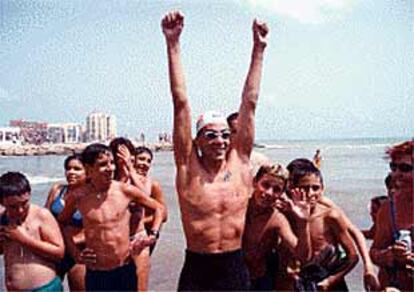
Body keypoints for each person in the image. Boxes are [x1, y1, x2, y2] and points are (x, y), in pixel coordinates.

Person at [161, 10, 268, 290]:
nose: (219, 141)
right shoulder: (187, 168)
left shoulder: (240, 163)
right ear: (197, 141)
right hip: (198, 268)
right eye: (210, 136)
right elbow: (180, 101)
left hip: (234, 265)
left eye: (224, 135)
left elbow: (250, 102)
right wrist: (173, 44)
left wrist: (259, 49)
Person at [58, 143, 166, 291]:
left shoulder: (125, 191)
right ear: (89, 169)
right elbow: (62, 223)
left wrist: (153, 234)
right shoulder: (78, 196)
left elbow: (158, 208)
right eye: (103, 164)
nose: (111, 168)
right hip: (96, 272)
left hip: (124, 268)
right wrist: (76, 253)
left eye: (112, 163)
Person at [287, 158, 380, 291]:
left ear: (322, 189)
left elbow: (352, 254)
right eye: (304, 188)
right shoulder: (286, 213)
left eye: (315, 188)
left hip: (328, 278)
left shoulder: (329, 214)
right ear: (291, 188)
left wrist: (368, 267)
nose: (310, 193)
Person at [243, 164, 312, 290]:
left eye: (276, 189)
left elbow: (302, 256)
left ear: (281, 193)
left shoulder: (277, 219)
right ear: (254, 182)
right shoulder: (238, 207)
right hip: (230, 277)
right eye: (265, 185)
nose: (269, 193)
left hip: (259, 280)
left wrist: (303, 223)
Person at [0, 172, 65, 291]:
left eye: (24, 204)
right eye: (12, 206)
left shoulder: (41, 215)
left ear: (29, 194)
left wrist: (23, 239)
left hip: (43, 288)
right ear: (2, 202)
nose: (20, 210)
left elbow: (59, 253)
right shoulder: (2, 218)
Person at [370, 140, 414, 291]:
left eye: (405, 168)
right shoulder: (389, 209)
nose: (396, 174)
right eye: (393, 167)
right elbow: (375, 252)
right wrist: (389, 256)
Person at [44, 154, 86, 291]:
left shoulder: (92, 197)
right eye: (68, 168)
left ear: (88, 171)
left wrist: (73, 240)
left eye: (77, 169)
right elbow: (45, 218)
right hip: (55, 252)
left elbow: (97, 228)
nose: (71, 172)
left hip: (78, 253)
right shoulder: (57, 190)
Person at [227, 112, 270, 176]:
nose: (240, 135)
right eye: (235, 132)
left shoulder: (261, 162)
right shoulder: (217, 161)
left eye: (244, 131)